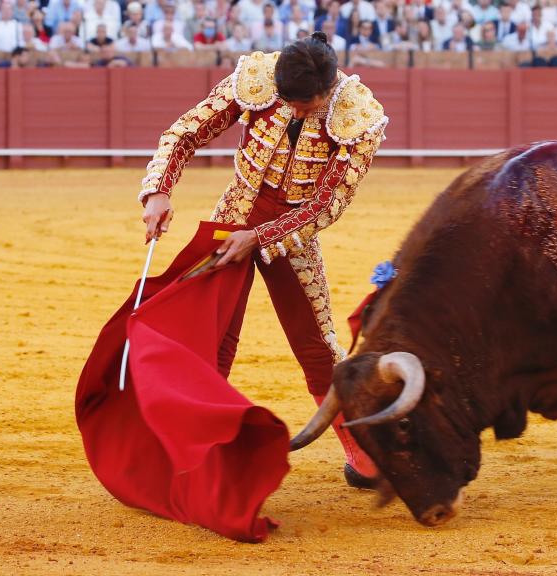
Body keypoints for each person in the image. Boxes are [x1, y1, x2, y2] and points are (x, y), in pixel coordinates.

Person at [138, 35, 386, 488]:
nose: (295, 112)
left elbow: (326, 205)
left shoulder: (358, 116)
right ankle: (196, 453)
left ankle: (363, 455)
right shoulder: (257, 79)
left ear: (329, 92)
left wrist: (261, 237)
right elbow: (185, 132)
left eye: (305, 106)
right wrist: (158, 190)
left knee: (316, 346)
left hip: (291, 233)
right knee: (212, 338)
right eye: (289, 103)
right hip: (234, 216)